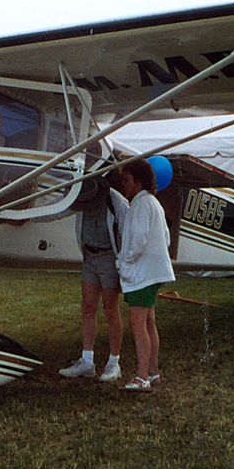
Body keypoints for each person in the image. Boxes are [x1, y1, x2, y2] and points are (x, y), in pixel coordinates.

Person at [58, 172, 130, 383]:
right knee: (88, 307)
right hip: (89, 257)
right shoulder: (79, 196)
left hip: (108, 257)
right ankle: (87, 361)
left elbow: (127, 229)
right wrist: (25, 216)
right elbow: (58, 211)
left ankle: (113, 363)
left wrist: (123, 263)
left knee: (111, 310)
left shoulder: (115, 200)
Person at [116, 158, 175, 392]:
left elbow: (138, 241)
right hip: (153, 272)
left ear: (139, 181)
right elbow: (167, 239)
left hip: (143, 274)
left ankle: (141, 376)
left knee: (138, 323)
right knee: (149, 322)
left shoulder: (141, 205)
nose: (124, 185)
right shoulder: (154, 203)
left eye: (127, 180)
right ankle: (153, 371)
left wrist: (124, 261)